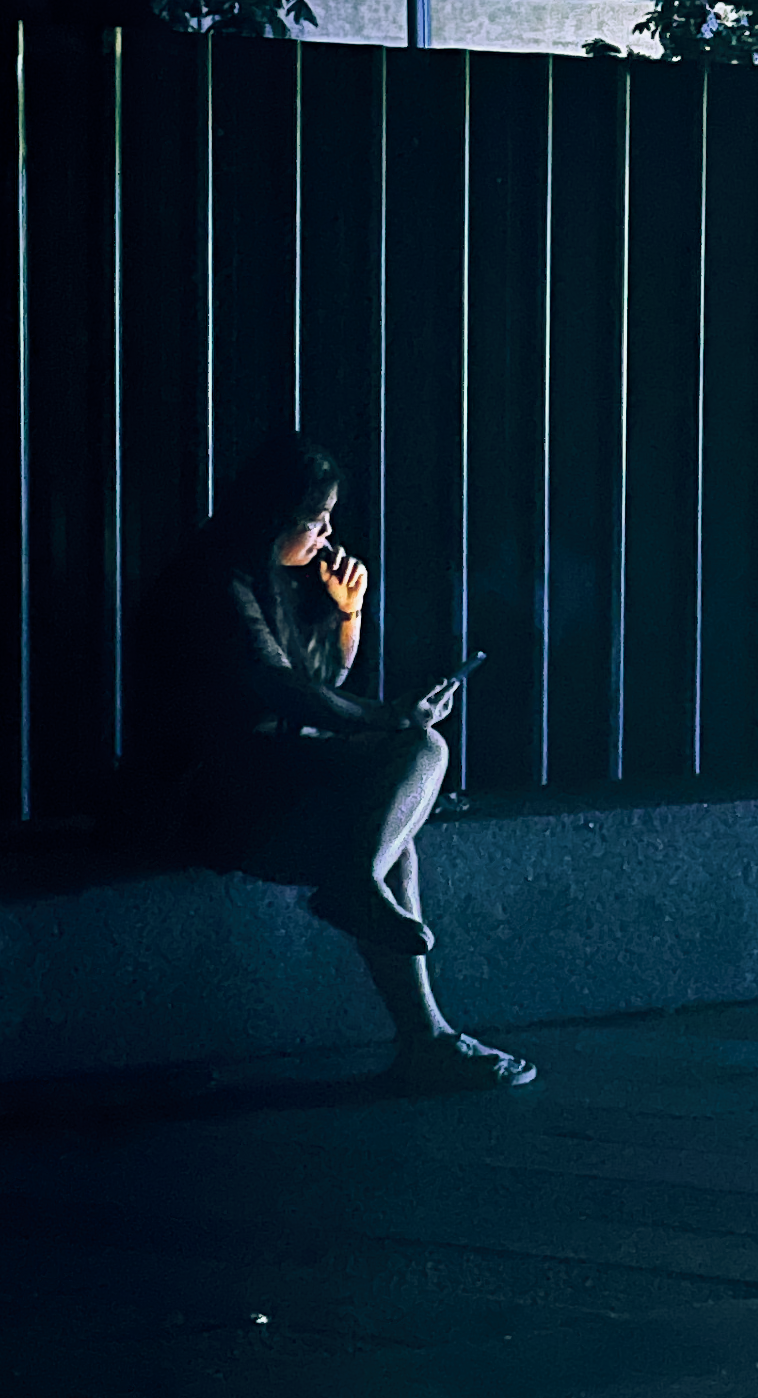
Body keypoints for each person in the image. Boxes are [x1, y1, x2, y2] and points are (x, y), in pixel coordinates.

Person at [117, 431, 533, 1093]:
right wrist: (390, 716)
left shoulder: (265, 580)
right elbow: (282, 691)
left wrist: (348, 618)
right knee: (421, 751)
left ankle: (420, 1025)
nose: (328, 533)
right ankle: (408, 1003)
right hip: (201, 798)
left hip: (253, 781)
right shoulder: (214, 582)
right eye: (318, 518)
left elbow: (314, 687)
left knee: (397, 817)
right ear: (276, 516)